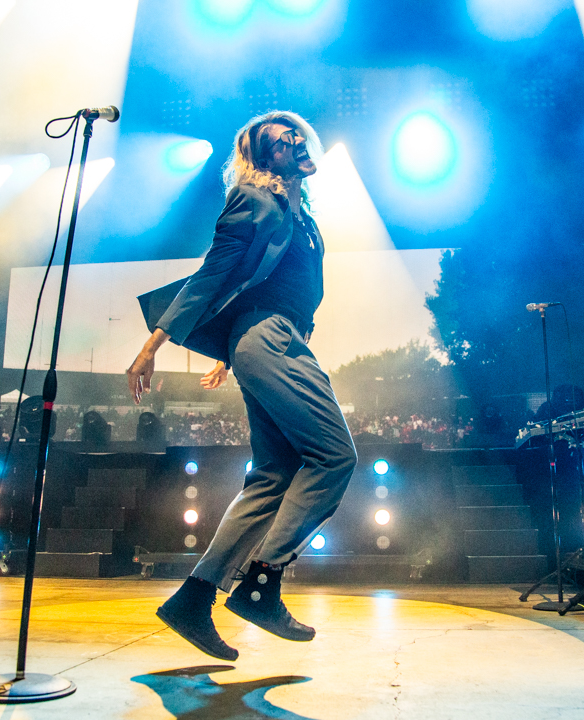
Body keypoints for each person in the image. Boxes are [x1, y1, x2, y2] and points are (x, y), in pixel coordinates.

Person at [128, 111, 357, 661]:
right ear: (263, 159)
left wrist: (233, 357)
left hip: (269, 341)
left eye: (296, 135)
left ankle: (194, 598)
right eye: (280, 142)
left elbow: (261, 286)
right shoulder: (253, 200)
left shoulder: (300, 213)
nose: (294, 142)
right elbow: (214, 273)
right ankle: (262, 583)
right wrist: (153, 345)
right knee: (334, 457)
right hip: (270, 339)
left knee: (273, 475)